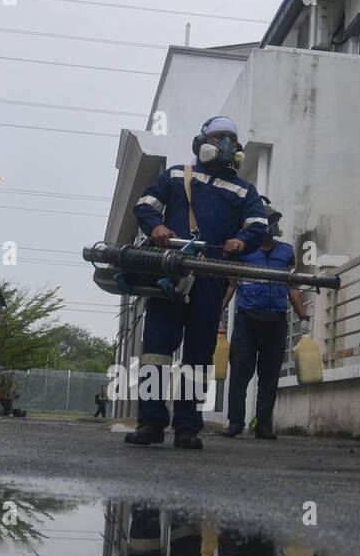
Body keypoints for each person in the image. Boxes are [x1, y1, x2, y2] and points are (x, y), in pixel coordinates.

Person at [127, 116, 268, 450]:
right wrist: (155, 228)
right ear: (202, 142)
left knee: (199, 357)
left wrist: (242, 241)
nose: (227, 145)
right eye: (220, 137)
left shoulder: (244, 190)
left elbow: (258, 225)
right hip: (170, 274)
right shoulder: (177, 175)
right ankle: (150, 423)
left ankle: (187, 427)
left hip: (210, 278)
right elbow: (145, 205)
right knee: (157, 353)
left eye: (232, 140)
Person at [220, 202, 309, 440]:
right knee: (240, 374)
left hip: (275, 321)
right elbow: (231, 284)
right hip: (247, 320)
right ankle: (235, 423)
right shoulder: (244, 252)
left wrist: (304, 317)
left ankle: (263, 425)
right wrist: (218, 311)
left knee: (269, 377)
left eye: (274, 221)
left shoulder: (286, 251)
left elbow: (293, 287)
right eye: (268, 221)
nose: (272, 225)